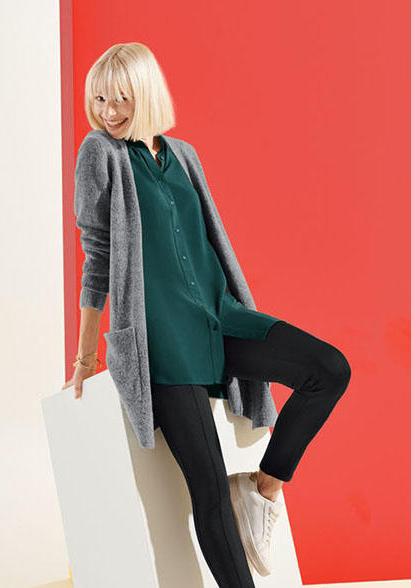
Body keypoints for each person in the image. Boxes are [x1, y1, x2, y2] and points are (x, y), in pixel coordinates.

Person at [62, 42, 351, 587]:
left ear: (146, 94)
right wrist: (84, 355)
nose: (108, 111)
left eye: (120, 98)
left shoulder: (183, 154)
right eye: (98, 99)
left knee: (329, 369)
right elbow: (97, 256)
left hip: (219, 317)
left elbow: (209, 239)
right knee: (210, 489)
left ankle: (264, 486)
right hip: (163, 342)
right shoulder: (100, 153)